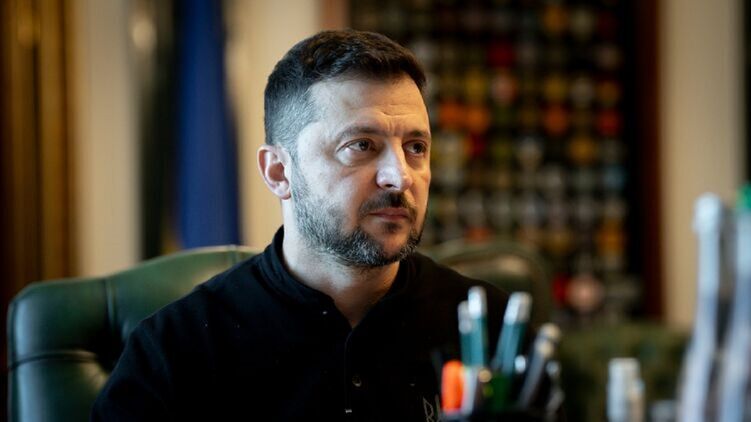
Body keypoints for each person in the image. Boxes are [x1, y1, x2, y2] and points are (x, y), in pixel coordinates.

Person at [92, 29, 511, 421]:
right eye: (361, 146)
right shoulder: (174, 351)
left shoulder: (494, 331)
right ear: (278, 171)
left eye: (415, 147)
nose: (400, 176)